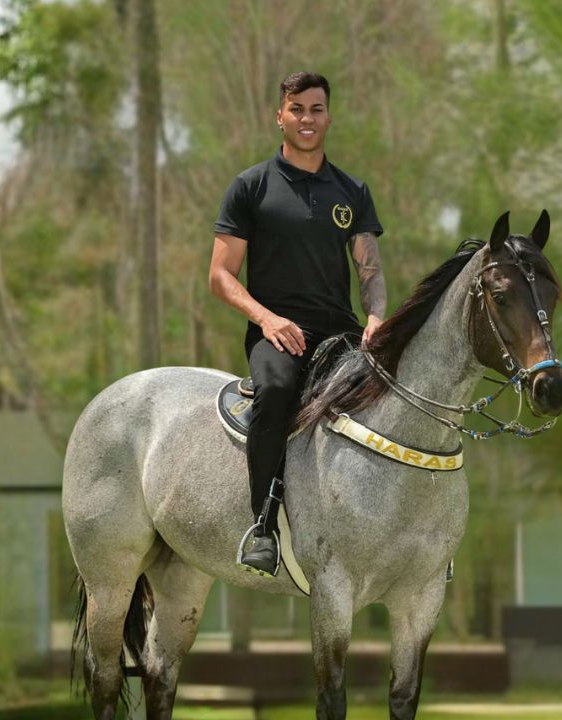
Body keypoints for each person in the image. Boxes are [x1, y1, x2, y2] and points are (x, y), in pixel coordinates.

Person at [209, 71, 387, 577]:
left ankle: (409, 534)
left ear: (329, 116)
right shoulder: (251, 187)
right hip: (277, 333)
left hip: (342, 334)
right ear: (280, 116)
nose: (307, 119)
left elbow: (369, 269)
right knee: (276, 390)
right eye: (297, 109)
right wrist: (265, 318)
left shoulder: (352, 191)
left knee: (396, 395)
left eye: (316, 109)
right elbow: (220, 276)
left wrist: (375, 316)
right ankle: (263, 527)